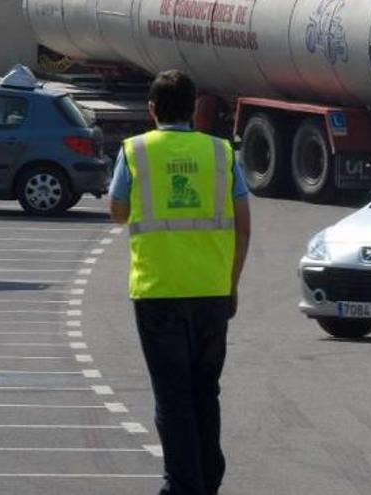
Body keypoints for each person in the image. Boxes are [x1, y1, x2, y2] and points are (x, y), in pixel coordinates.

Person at [109, 70, 251, 495]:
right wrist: (232, 284)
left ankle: (182, 485)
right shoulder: (221, 153)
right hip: (211, 292)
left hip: (158, 293)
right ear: (194, 111)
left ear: (151, 110)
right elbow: (243, 227)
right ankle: (208, 480)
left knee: (172, 397)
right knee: (205, 392)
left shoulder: (135, 151)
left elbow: (117, 212)